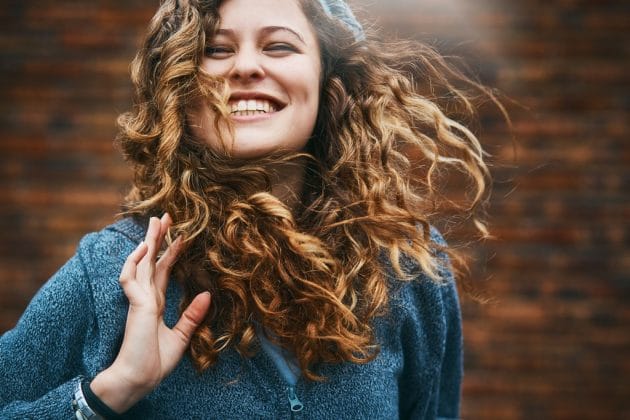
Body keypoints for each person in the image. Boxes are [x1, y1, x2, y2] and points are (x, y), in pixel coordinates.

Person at [0, 0, 495, 418]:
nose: (246, 67)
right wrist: (106, 394)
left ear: (331, 86)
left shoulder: (409, 267)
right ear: (181, 90)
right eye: (216, 49)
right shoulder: (117, 271)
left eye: (279, 45)